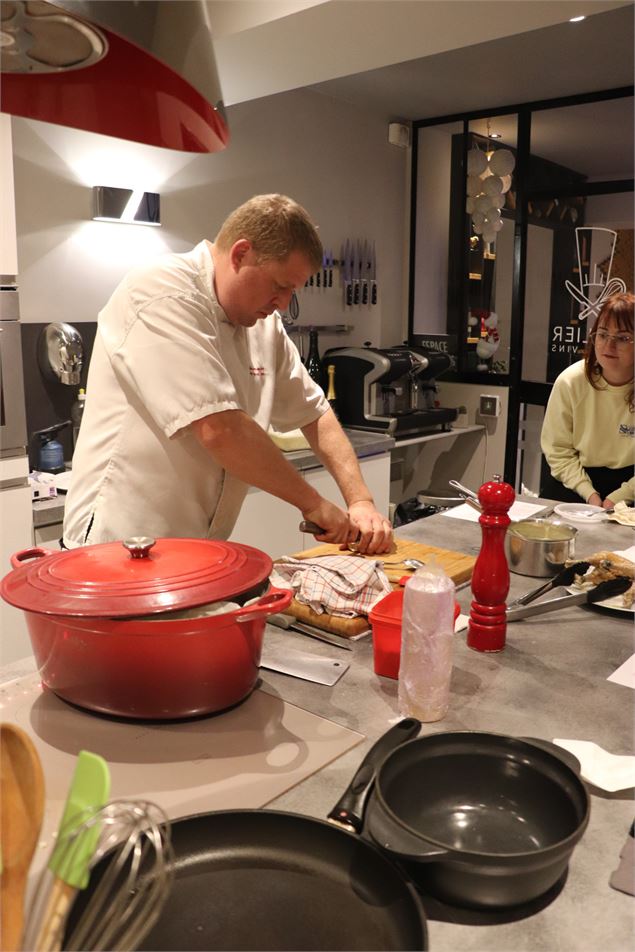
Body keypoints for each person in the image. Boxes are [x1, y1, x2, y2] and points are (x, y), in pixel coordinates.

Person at [63, 194, 393, 554]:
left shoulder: (264, 327)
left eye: (292, 291)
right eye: (280, 286)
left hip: (197, 551)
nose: (283, 303)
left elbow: (315, 413)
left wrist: (360, 500)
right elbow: (219, 429)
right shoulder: (162, 292)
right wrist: (314, 504)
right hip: (118, 546)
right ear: (240, 254)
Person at [540, 291, 634, 508]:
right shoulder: (570, 381)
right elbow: (558, 451)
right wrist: (589, 494)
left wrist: (619, 497)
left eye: (623, 338)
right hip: (575, 481)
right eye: (602, 334)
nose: (608, 346)